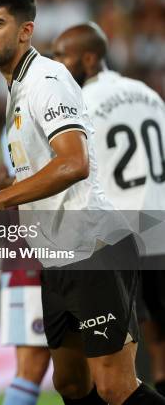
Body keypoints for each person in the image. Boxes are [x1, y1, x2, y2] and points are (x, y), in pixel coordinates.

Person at [0, 0, 165, 404]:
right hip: (58, 254)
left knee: (115, 386)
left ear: (26, 31)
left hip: (95, 247)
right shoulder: (18, 86)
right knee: (70, 384)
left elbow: (74, 162)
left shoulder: (47, 79)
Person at [53, 22, 165, 396]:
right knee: (160, 345)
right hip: (159, 227)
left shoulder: (81, 103)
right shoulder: (147, 93)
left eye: (62, 56)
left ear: (88, 57)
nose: (57, 65)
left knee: (111, 364)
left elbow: (76, 170)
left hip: (117, 235)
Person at [0, 130, 51, 405]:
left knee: (81, 377)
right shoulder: (25, 116)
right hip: (32, 258)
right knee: (31, 367)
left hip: (34, 257)